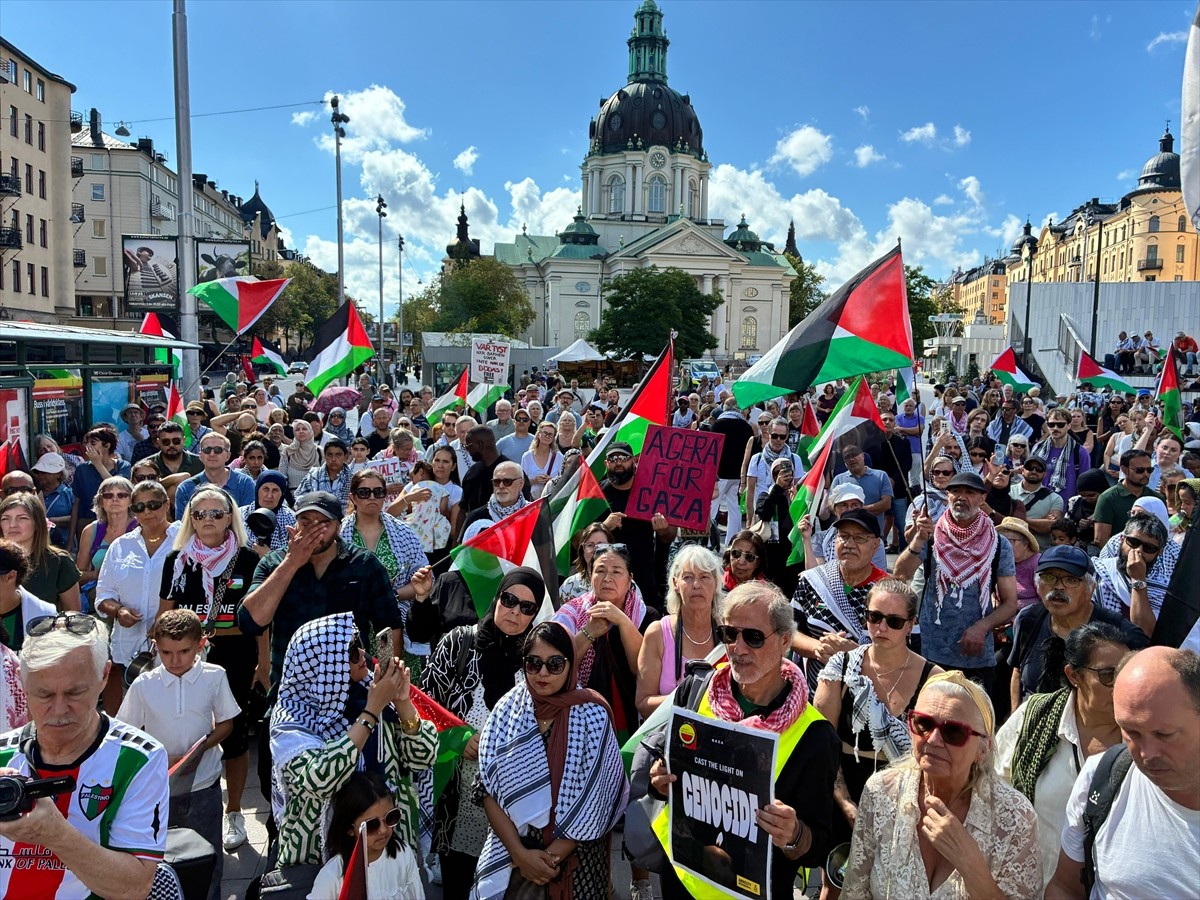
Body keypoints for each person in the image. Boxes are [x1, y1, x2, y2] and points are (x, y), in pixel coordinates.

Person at [644, 582, 841, 899]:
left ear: (785, 641)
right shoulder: (695, 689)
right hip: (681, 881)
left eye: (753, 636)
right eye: (729, 634)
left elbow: (816, 847)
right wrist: (659, 780)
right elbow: (663, 774)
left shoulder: (815, 736)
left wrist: (793, 835)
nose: (738, 647)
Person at [0, 612, 169, 899]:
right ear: (21, 681)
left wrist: (55, 834)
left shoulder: (139, 758)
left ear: (104, 676)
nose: (59, 709)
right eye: (43, 694)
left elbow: (135, 887)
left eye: (75, 692)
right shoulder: (4, 753)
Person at [841, 670, 1041, 899]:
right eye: (924, 723)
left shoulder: (1015, 818)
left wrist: (971, 865)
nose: (934, 740)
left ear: (983, 749)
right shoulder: (881, 792)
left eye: (953, 731)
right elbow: (854, 892)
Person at [269, 613, 436, 875]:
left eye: (359, 643)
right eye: (351, 651)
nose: (362, 653)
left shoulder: (374, 693)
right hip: (321, 858)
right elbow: (320, 779)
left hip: (386, 842)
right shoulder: (292, 719)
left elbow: (423, 758)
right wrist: (370, 713)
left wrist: (402, 702)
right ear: (323, 666)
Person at [473, 620, 628, 899]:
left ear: (571, 665)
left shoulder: (592, 715)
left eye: (555, 664)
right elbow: (485, 787)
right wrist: (521, 856)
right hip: (511, 855)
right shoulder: (506, 711)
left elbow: (597, 802)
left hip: (577, 862)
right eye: (533, 663)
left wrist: (546, 860)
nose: (542, 673)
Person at [814, 579, 943, 899]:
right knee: (837, 887)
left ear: (912, 624)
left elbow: (939, 754)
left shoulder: (933, 678)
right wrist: (845, 803)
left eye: (894, 621)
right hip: (846, 790)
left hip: (909, 798)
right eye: (874, 617)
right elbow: (823, 746)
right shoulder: (840, 669)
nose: (882, 627)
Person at [419, 568, 543, 900]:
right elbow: (424, 707)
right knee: (459, 884)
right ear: (497, 597)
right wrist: (459, 740)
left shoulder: (536, 659)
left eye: (527, 608)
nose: (516, 612)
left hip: (513, 806)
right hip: (457, 801)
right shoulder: (459, 643)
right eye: (510, 600)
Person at [157, 484, 264, 852]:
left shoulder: (249, 559)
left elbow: (261, 619)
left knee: (231, 736)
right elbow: (164, 614)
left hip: (235, 656)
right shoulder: (177, 560)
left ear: (230, 517)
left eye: (216, 513)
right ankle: (188, 806)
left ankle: (234, 811)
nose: (207, 520)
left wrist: (262, 665)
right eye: (199, 514)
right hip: (185, 660)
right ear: (190, 519)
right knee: (187, 734)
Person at [1046, 647, 1200, 900]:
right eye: (1131, 732)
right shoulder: (1102, 779)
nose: (1147, 753)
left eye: (1164, 735)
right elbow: (1065, 887)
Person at [994, 622, 1132, 886]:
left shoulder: (1143, 738)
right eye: (1107, 675)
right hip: (1028, 883)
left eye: (1125, 674)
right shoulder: (1034, 718)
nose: (1119, 686)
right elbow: (993, 790)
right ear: (1074, 676)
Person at [118, 608, 239, 900]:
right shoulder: (145, 684)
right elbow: (125, 732)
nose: (174, 660)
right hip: (159, 789)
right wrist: (157, 757)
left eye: (183, 651)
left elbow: (226, 723)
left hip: (204, 786)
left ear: (200, 645)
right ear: (156, 647)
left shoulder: (214, 676)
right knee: (161, 860)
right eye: (166, 652)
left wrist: (199, 749)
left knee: (208, 859)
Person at [238, 490, 406, 691]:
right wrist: (291, 564)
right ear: (295, 522)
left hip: (350, 691)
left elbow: (389, 627)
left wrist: (387, 679)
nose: (314, 530)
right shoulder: (274, 563)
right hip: (290, 691)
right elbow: (250, 622)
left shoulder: (364, 564)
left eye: (324, 522)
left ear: (339, 525)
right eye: (306, 522)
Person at [895, 472, 1019, 693]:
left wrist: (982, 627)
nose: (962, 497)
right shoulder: (931, 536)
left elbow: (1010, 603)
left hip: (976, 654)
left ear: (982, 499)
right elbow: (901, 573)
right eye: (955, 491)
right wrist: (918, 539)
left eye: (969, 492)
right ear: (947, 496)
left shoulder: (999, 544)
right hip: (930, 651)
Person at [1008, 545, 1149, 707]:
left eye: (1071, 580)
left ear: (1091, 588)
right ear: (1038, 585)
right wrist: (1016, 719)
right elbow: (1018, 673)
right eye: (1049, 577)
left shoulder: (1118, 633)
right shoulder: (1028, 619)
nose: (1059, 586)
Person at [554, 542, 656, 743]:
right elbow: (556, 666)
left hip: (630, 718)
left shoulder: (645, 616)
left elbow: (643, 671)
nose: (607, 578)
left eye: (617, 571)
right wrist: (589, 632)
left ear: (630, 579)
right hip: (578, 719)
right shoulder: (571, 614)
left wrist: (623, 622)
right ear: (590, 576)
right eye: (600, 571)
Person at [94, 479, 177, 713]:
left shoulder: (184, 539)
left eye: (154, 504)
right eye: (139, 507)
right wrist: (118, 611)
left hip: (175, 646)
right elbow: (103, 596)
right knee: (129, 713)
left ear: (167, 504)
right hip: (128, 646)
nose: (147, 511)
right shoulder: (120, 546)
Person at [792, 508, 889, 683]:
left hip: (871, 695)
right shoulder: (812, 581)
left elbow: (904, 650)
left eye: (859, 538)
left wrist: (855, 653)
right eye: (843, 536)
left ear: (876, 545)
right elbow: (789, 631)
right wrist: (820, 648)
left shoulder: (891, 591)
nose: (849, 544)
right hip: (815, 693)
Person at [635, 544, 724, 717]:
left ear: (715, 583)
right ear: (675, 583)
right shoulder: (658, 633)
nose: (696, 585)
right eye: (688, 577)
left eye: (704, 577)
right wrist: (690, 697)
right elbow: (643, 703)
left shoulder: (729, 632)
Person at [309, 771, 424, 900]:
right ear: (349, 829)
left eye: (391, 817)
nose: (383, 830)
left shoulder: (403, 854)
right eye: (372, 825)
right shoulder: (331, 876)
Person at [597, 442, 677, 605]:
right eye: (613, 459)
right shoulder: (597, 495)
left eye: (623, 458)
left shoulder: (651, 491)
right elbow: (582, 539)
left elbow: (669, 536)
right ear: (606, 464)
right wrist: (604, 527)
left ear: (633, 461)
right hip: (608, 576)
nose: (618, 463)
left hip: (645, 574)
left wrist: (663, 530)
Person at [1093, 513, 1174, 637]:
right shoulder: (1098, 571)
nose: (1138, 551)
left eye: (1149, 548)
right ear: (1121, 540)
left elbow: (1144, 633)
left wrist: (1138, 579)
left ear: (1160, 552)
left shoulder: (1163, 588)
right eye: (1133, 542)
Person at [0, 492, 80, 611]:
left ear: (37, 523)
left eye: (22, 518)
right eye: (5, 519)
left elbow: (73, 615)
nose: (12, 525)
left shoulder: (59, 562)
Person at [76, 475, 137, 607]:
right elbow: (78, 575)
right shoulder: (91, 531)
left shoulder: (141, 528)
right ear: (101, 501)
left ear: (131, 501)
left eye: (122, 495)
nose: (115, 499)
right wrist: (98, 575)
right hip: (99, 597)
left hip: (134, 597)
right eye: (108, 496)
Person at [174, 432, 256, 521]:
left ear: (228, 456)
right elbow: (182, 527)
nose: (212, 454)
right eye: (207, 450)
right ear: (200, 455)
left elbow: (248, 522)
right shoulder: (185, 488)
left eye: (218, 450)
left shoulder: (245, 483)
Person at [1091, 448, 1162, 546]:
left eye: (1149, 470)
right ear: (1124, 470)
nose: (1146, 474)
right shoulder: (1108, 498)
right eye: (1139, 470)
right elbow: (1100, 539)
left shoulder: (1156, 499)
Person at [746, 419, 805, 528]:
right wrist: (750, 518)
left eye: (782, 436)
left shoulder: (794, 459)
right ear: (768, 434)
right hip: (763, 510)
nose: (778, 439)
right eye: (774, 436)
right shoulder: (757, 459)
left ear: (787, 436)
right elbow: (750, 491)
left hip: (786, 514)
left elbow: (798, 490)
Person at [73, 426, 132, 531]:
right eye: (87, 443)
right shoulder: (82, 469)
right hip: (87, 523)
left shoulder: (123, 466)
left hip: (117, 522)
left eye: (93, 443)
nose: (87, 446)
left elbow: (117, 486)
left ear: (107, 445)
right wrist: (71, 539)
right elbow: (76, 503)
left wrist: (98, 464)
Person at [711, 399, 754, 537]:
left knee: (713, 505)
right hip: (737, 474)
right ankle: (733, 539)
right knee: (734, 508)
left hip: (720, 473)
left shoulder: (717, 425)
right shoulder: (746, 426)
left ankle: (708, 537)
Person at [460, 459, 527, 542]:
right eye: (496, 482)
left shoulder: (533, 514)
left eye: (507, 481)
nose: (501, 486)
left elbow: (543, 552)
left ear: (521, 484)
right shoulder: (475, 518)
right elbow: (463, 553)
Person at [1010, 456, 1064, 551]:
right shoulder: (1008, 492)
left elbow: (1051, 526)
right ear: (1022, 470)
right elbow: (1000, 520)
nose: (1034, 471)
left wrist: (1015, 520)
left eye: (1039, 469)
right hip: (1009, 550)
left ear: (1045, 474)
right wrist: (1039, 522)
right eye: (1030, 468)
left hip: (1039, 552)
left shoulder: (1055, 498)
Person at [240, 470, 296, 555]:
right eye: (265, 489)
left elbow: (294, 557)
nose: (269, 496)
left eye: (275, 490)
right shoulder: (240, 514)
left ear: (282, 494)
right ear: (257, 490)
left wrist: (269, 557)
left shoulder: (291, 519)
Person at [32, 451, 77, 551]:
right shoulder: (34, 493)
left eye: (44, 472)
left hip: (64, 547)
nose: (40, 475)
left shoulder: (69, 494)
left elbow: (75, 518)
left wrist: (47, 521)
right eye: (37, 472)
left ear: (59, 474)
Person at [522, 421, 562, 500]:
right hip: (531, 501)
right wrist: (535, 480)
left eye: (550, 434)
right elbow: (521, 482)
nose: (547, 436)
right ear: (539, 435)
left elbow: (563, 481)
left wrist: (551, 481)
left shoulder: (558, 457)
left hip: (551, 500)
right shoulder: (527, 457)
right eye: (545, 433)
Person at [280, 418, 322, 493]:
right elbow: (282, 477)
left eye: (304, 429)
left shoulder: (319, 451)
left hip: (314, 498)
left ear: (310, 431)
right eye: (297, 430)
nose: (301, 431)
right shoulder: (288, 452)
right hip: (292, 499)